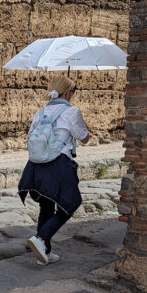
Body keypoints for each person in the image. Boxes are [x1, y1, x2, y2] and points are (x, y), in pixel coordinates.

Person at [18, 74, 91, 265]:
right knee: (71, 203)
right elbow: (83, 136)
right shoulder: (72, 112)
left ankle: (45, 253)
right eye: (73, 91)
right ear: (68, 92)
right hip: (59, 164)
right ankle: (41, 238)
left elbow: (31, 135)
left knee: (47, 205)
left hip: (36, 165)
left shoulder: (40, 112)